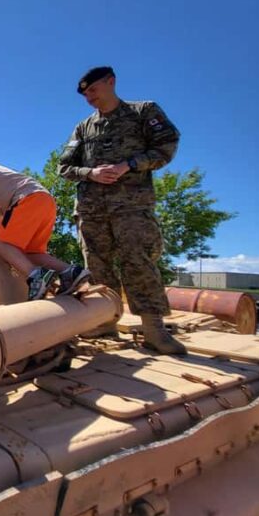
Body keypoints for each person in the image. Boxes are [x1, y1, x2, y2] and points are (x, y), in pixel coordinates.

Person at [58, 66, 185, 354]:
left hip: (131, 205)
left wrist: (128, 165)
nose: (89, 98)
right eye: (85, 94)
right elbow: (63, 167)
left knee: (138, 261)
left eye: (93, 90)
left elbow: (167, 145)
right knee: (97, 266)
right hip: (91, 209)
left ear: (111, 82)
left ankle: (154, 330)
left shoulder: (143, 112)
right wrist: (90, 173)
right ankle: (105, 321)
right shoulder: (83, 128)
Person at [0, 146, 90, 301]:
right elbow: (2, 212)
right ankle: (71, 272)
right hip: (45, 200)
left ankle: (36, 276)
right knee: (30, 253)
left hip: (26, 200)